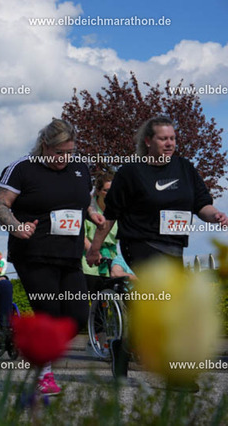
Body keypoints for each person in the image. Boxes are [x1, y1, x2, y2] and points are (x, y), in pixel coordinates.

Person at [86, 116, 228, 379]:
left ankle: (123, 347)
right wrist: (94, 249)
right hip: (140, 243)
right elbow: (110, 216)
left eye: (173, 138)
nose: (170, 143)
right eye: (163, 138)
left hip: (174, 247)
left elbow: (202, 205)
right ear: (148, 141)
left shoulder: (185, 168)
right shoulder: (131, 172)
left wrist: (215, 215)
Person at [0, 118, 105, 395]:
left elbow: (84, 198)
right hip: (34, 253)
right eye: (58, 152)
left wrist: (92, 212)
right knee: (49, 312)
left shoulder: (80, 168)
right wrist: (16, 227)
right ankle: (44, 374)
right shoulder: (22, 168)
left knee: (78, 316)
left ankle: (33, 344)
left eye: (69, 152)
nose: (63, 158)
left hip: (70, 255)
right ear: (44, 145)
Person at [82, 171, 119, 293]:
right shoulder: (90, 211)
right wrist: (93, 251)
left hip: (111, 260)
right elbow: (81, 236)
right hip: (90, 260)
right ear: (97, 191)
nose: (110, 194)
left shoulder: (118, 211)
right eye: (106, 190)